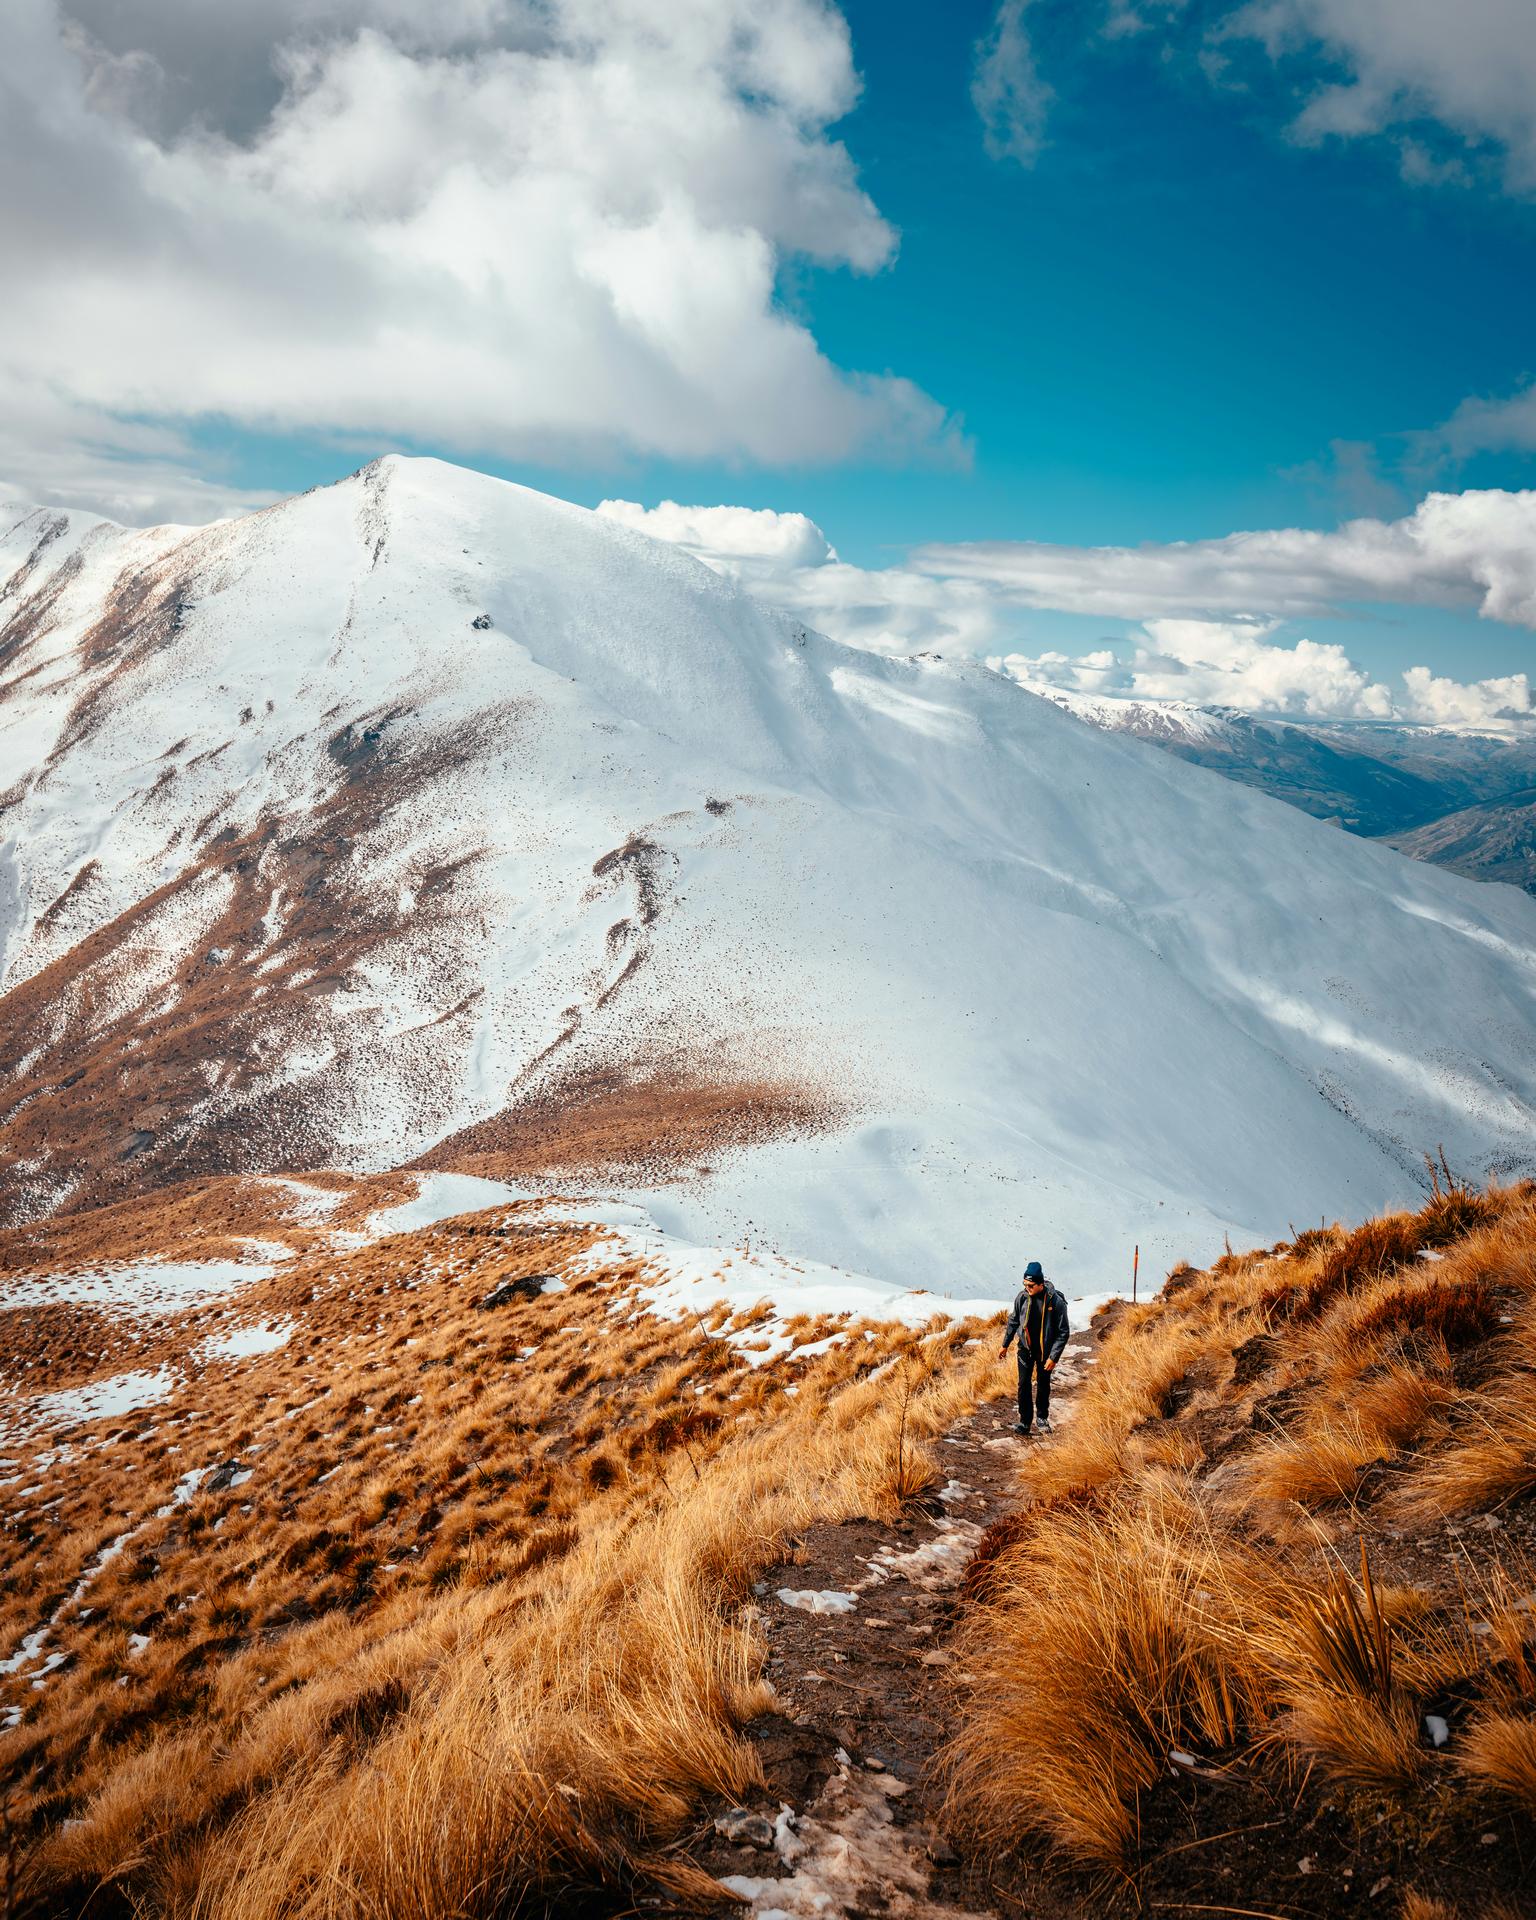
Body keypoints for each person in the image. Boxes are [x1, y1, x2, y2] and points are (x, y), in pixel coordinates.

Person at [1000, 1261, 1070, 1436]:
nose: (1027, 1288)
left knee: (1043, 1383)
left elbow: (1063, 1332)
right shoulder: (1022, 1298)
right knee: (1023, 1384)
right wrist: (1005, 1345)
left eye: (1031, 1285)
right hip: (1025, 1348)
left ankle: (1042, 1418)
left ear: (1041, 1284)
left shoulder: (1056, 1302)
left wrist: (1053, 1357)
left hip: (1045, 1351)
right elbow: (1013, 1321)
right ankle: (1024, 1422)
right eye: (1025, 1285)